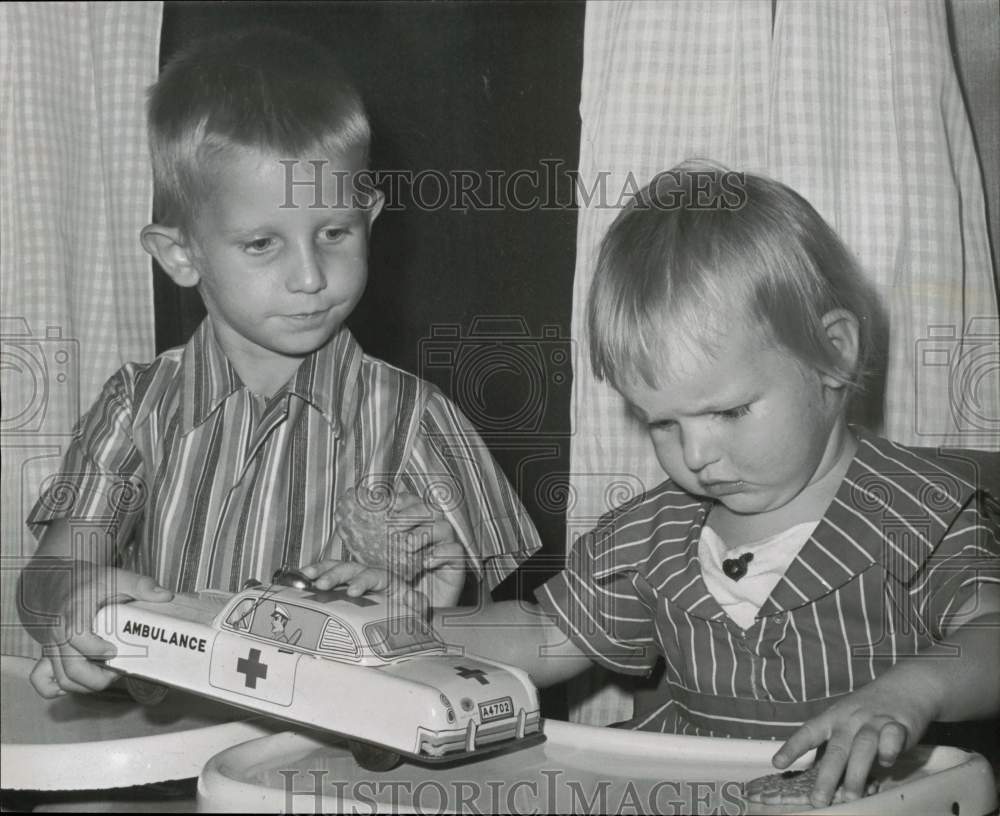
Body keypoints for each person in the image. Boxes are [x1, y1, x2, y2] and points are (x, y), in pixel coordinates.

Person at [314, 163, 1000, 808]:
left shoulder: (920, 510)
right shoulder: (655, 533)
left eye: (729, 411)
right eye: (662, 423)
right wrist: (409, 628)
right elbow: (543, 633)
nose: (697, 455)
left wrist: (912, 692)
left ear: (833, 354)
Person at [17, 28, 541, 700]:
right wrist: (74, 598)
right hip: (162, 749)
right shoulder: (135, 408)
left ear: (370, 217)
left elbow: (493, 643)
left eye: (334, 233)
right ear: (181, 255)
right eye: (263, 243)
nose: (310, 277)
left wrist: (427, 608)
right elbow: (49, 572)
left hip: (331, 772)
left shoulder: (419, 422)